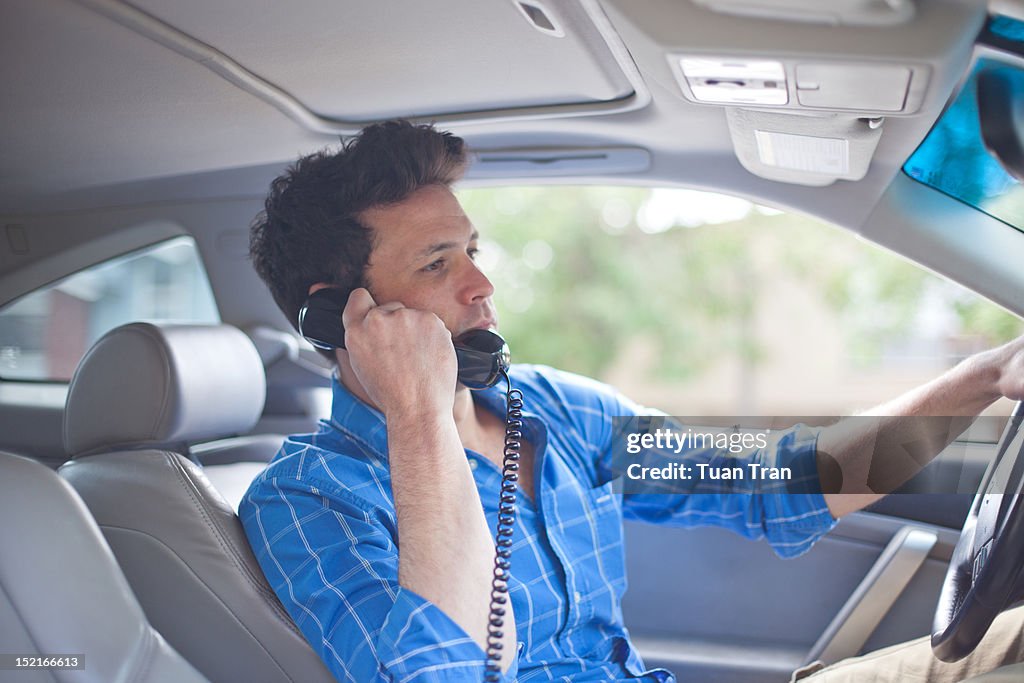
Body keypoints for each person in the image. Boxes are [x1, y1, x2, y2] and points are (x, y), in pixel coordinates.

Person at [240, 119, 1024, 682]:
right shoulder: (307, 500)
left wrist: (988, 378)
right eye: (438, 264)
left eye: (472, 251)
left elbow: (788, 483)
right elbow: (442, 673)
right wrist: (417, 417)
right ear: (336, 313)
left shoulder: (555, 412)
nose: (482, 285)